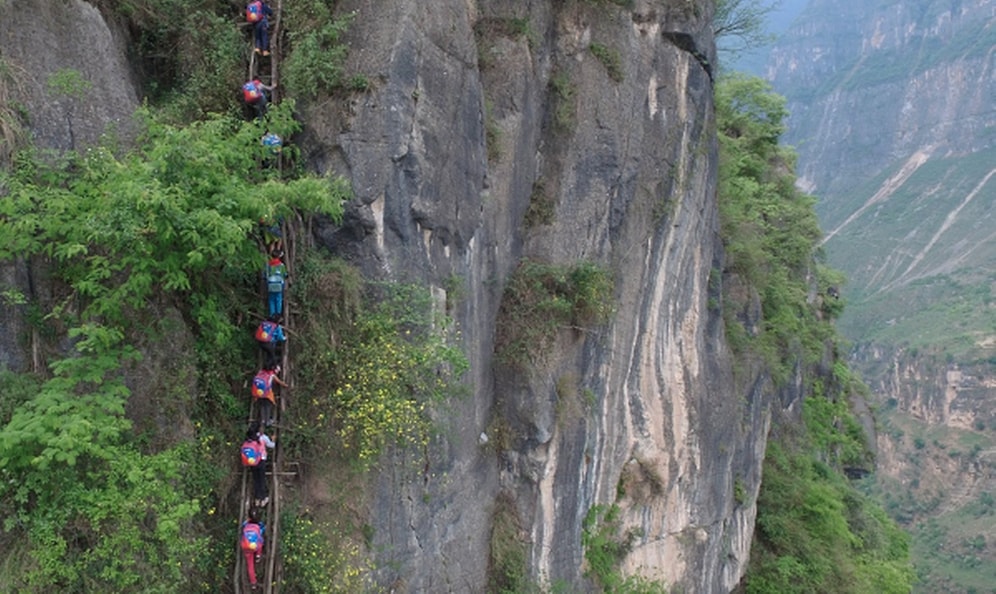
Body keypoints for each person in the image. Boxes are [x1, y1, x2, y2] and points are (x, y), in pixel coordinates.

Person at [242, 421, 276, 507]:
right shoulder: (263, 437)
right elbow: (272, 445)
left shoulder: (249, 437)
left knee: (256, 480)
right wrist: (273, 440)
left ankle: (257, 499)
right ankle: (263, 498)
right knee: (262, 479)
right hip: (261, 460)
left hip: (252, 462)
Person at [240, 509, 266, 589]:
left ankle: (253, 583)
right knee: (260, 541)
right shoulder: (258, 526)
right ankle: (258, 555)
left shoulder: (246, 524)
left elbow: (243, 525)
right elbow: (261, 533)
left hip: (246, 547)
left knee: (250, 565)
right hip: (254, 547)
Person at [264, 249, 288, 317]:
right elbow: (285, 275)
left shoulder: (268, 265)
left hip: (270, 285)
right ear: (278, 257)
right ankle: (278, 315)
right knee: (278, 300)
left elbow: (266, 275)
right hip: (279, 285)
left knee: (271, 300)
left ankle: (272, 315)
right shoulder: (281, 265)